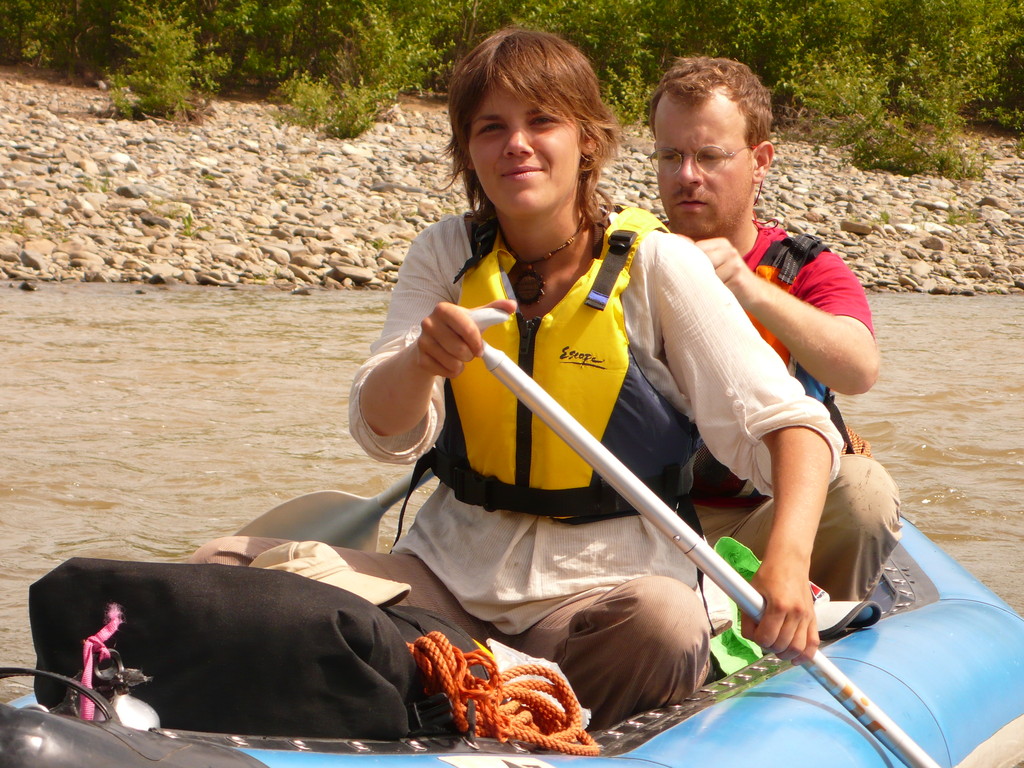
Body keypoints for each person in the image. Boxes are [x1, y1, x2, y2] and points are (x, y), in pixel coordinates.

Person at [192, 29, 843, 729]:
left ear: (588, 141)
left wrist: (784, 564)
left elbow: (797, 427)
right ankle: (468, 688)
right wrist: (420, 362)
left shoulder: (659, 265)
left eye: (542, 122)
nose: (517, 145)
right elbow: (383, 432)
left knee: (665, 620)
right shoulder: (444, 252)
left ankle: (483, 700)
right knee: (220, 564)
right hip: (445, 579)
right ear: (467, 151)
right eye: (491, 127)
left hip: (600, 594)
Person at [648, 56, 902, 602]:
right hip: (644, 520)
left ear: (760, 161)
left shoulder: (803, 269)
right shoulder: (622, 259)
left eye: (710, 156)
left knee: (865, 493)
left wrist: (749, 289)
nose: (686, 175)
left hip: (763, 518)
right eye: (670, 156)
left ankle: (805, 626)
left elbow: (858, 370)